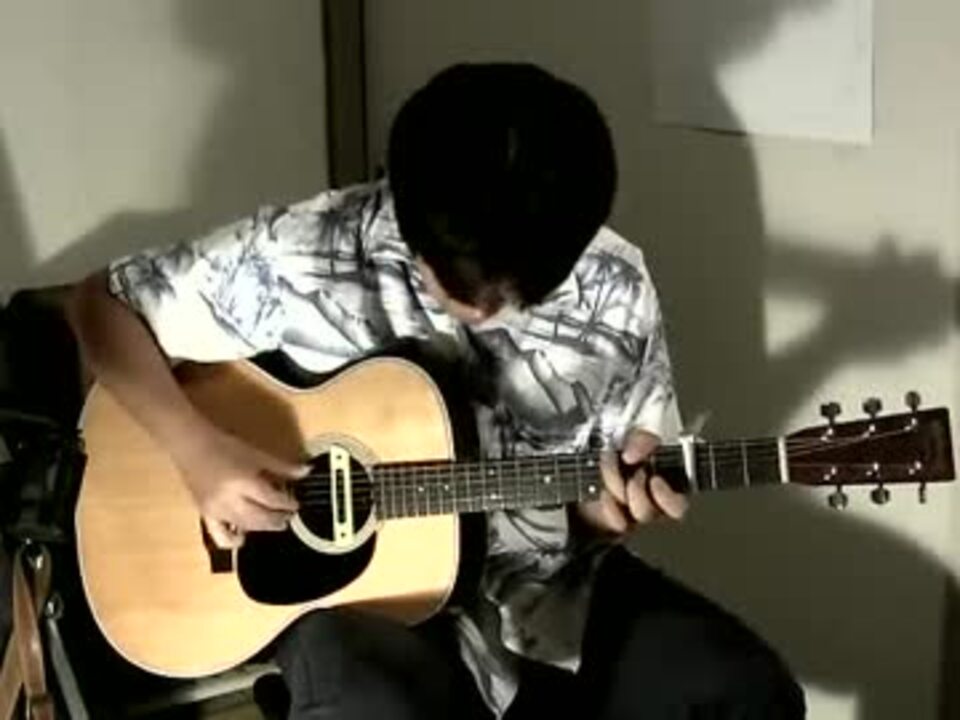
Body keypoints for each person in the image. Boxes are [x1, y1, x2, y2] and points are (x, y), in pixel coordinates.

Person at [67, 63, 805, 719]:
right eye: (462, 285)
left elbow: (597, 502)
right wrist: (198, 452)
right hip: (364, 604)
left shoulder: (612, 286)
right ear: (407, 220)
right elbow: (101, 305)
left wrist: (608, 515)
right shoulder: (310, 251)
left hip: (546, 594)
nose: (488, 310)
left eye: (524, 292)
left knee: (746, 690)